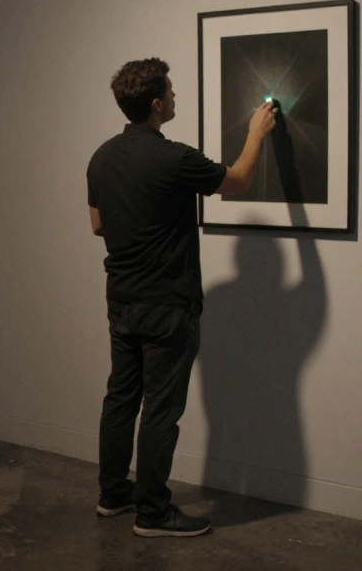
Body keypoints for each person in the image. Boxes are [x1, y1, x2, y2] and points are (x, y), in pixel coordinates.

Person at [86, 57, 276, 537]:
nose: (175, 97)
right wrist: (256, 132)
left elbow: (98, 225)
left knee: (121, 398)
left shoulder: (101, 157)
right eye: (170, 92)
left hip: (122, 299)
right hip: (168, 304)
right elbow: (238, 180)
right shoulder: (175, 158)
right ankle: (153, 514)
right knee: (161, 410)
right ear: (155, 104)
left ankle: (113, 495)